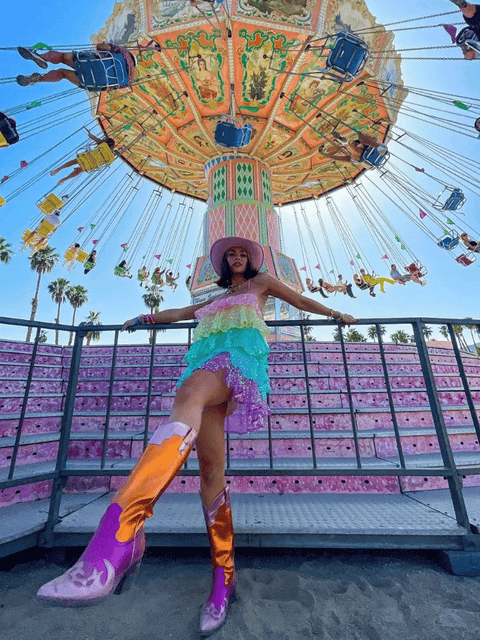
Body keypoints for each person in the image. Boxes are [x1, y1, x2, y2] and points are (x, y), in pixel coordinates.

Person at [36, 236, 356, 633]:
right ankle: (224, 581)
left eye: (243, 254)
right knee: (210, 474)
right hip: (206, 361)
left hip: (237, 360)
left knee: (188, 394)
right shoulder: (215, 297)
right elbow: (182, 312)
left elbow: (300, 301)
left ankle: (117, 537)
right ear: (223, 264)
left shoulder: (263, 284)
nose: (237, 258)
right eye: (230, 255)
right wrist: (144, 320)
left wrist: (334, 313)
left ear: (251, 261)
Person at [16, 43, 136, 88]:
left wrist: (109, 45)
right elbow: (110, 88)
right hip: (91, 81)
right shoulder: (127, 81)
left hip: (91, 64)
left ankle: (40, 57)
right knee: (63, 73)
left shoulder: (123, 52)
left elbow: (100, 47)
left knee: (63, 57)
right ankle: (38, 79)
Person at [50, 130, 115, 185]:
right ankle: (63, 180)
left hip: (85, 158)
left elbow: (93, 137)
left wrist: (89, 134)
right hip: (90, 165)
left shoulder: (103, 144)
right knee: (80, 170)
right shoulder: (111, 157)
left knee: (73, 162)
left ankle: (57, 170)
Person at [318, 131, 387, 164]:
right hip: (370, 153)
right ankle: (345, 143)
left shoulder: (359, 152)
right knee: (354, 152)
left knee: (352, 154)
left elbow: (340, 158)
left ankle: (345, 143)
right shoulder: (362, 148)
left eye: (354, 143)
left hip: (368, 153)